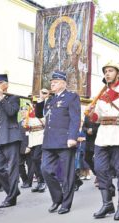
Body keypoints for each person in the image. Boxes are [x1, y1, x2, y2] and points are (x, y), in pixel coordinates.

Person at [88, 61, 119, 221]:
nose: (107, 73)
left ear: (118, 73)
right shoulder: (101, 93)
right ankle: (107, 203)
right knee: (100, 169)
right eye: (105, 71)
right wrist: (90, 113)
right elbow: (97, 118)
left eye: (110, 70)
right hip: (103, 135)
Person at [35, 70, 81, 215]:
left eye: (55, 82)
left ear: (63, 83)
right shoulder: (51, 99)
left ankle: (66, 204)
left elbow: (75, 118)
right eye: (51, 82)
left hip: (65, 140)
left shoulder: (71, 97)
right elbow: (38, 115)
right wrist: (41, 100)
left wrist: (73, 137)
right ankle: (57, 198)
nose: (52, 84)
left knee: (66, 175)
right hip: (49, 141)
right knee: (45, 170)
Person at [0, 74, 22, 208]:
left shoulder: (14, 98)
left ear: (6, 84)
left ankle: (11, 198)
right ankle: (13, 190)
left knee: (12, 169)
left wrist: (2, 97)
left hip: (11, 137)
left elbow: (12, 113)